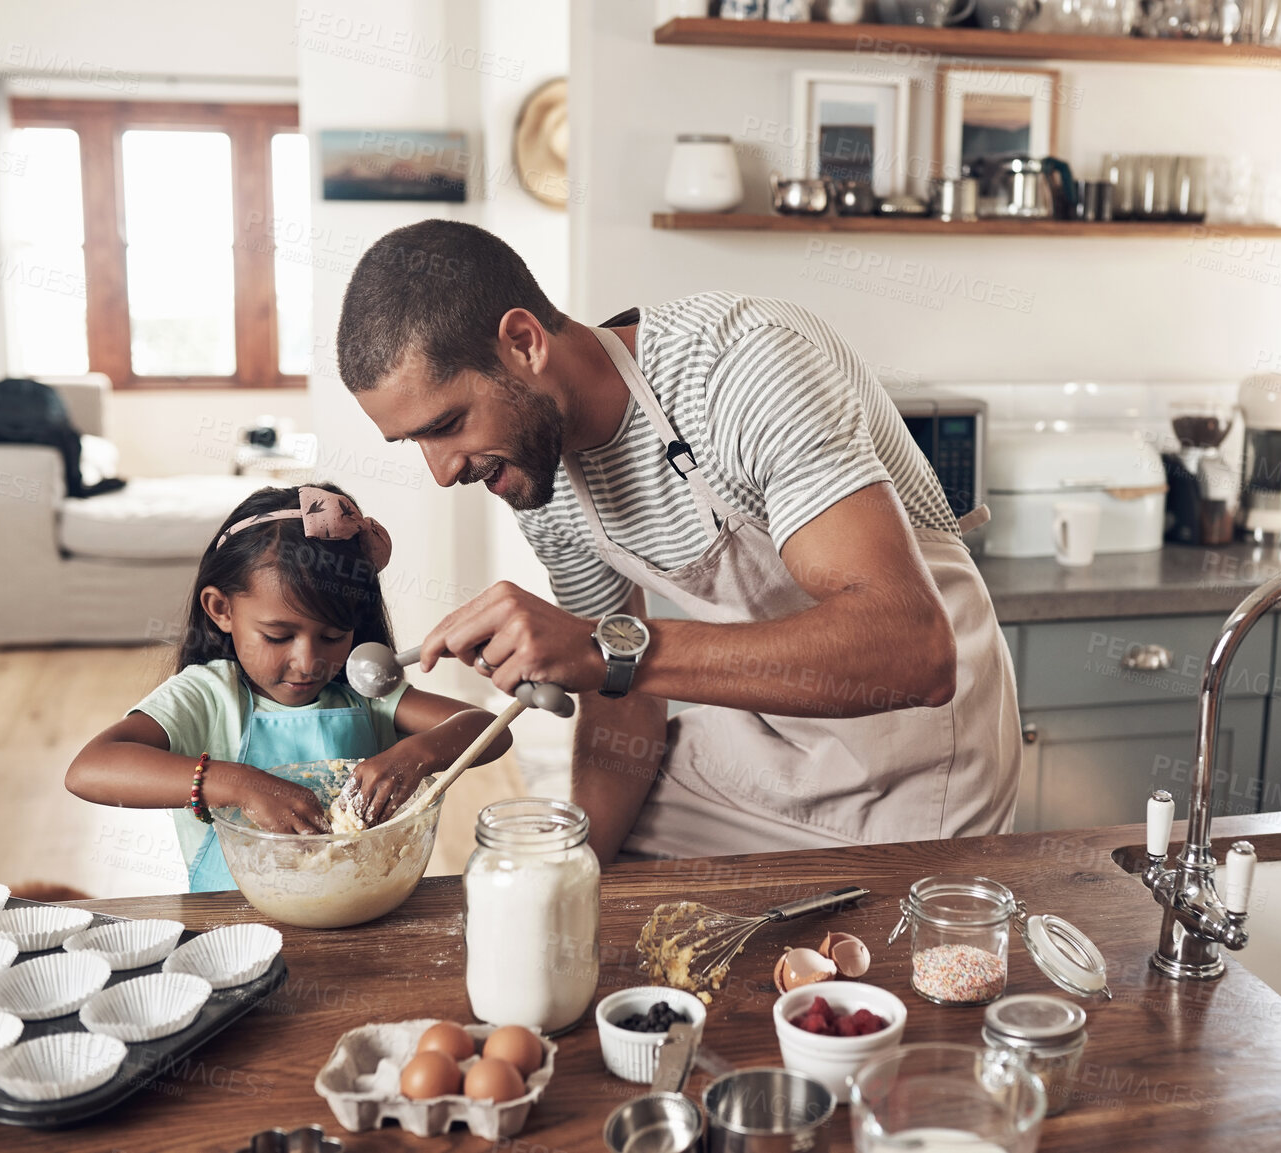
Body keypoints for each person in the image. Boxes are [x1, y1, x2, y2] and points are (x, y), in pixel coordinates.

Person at [336, 221, 1021, 864]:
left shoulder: (740, 367)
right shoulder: (533, 474)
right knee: (596, 874)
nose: (442, 469)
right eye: (414, 442)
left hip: (918, 754)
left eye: (447, 423)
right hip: (768, 734)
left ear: (523, 342)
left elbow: (911, 653)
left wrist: (600, 648)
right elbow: (622, 695)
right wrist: (575, 875)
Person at [66, 483, 511, 891]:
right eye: (278, 636)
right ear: (221, 609)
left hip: (363, 904)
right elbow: (89, 769)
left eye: (334, 636)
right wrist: (236, 783)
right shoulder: (207, 695)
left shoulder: (363, 690)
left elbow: (491, 729)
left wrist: (419, 752)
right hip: (234, 926)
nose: (308, 660)